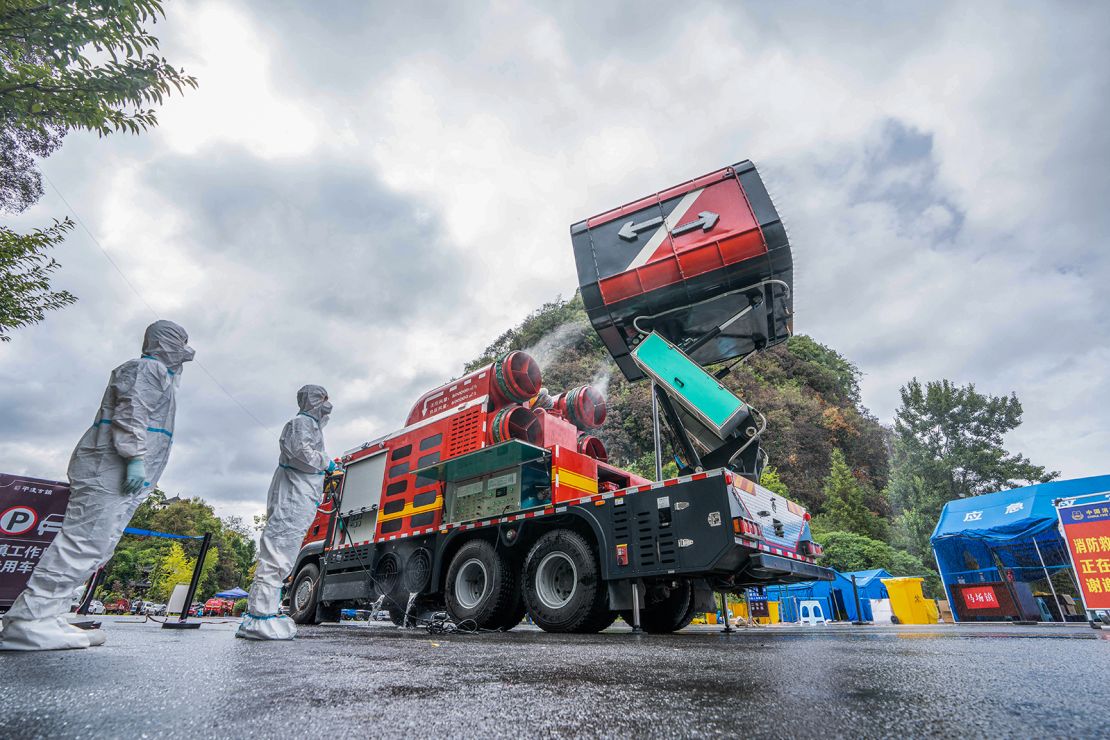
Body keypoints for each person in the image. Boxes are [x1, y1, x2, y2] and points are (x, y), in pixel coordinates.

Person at [0, 320, 194, 651]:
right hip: (112, 466)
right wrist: (133, 456)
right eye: (181, 342)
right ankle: (30, 620)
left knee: (97, 544)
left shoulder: (160, 376)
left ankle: (50, 613)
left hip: (120, 470)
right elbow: (132, 414)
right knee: (83, 541)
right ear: (167, 343)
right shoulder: (145, 370)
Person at [237, 385, 335, 640]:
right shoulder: (299, 424)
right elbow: (301, 454)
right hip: (292, 498)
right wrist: (327, 462)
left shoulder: (310, 426)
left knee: (284, 553)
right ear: (313, 401)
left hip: (298, 497)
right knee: (278, 552)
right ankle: (259, 618)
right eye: (323, 399)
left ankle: (264, 612)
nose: (327, 404)